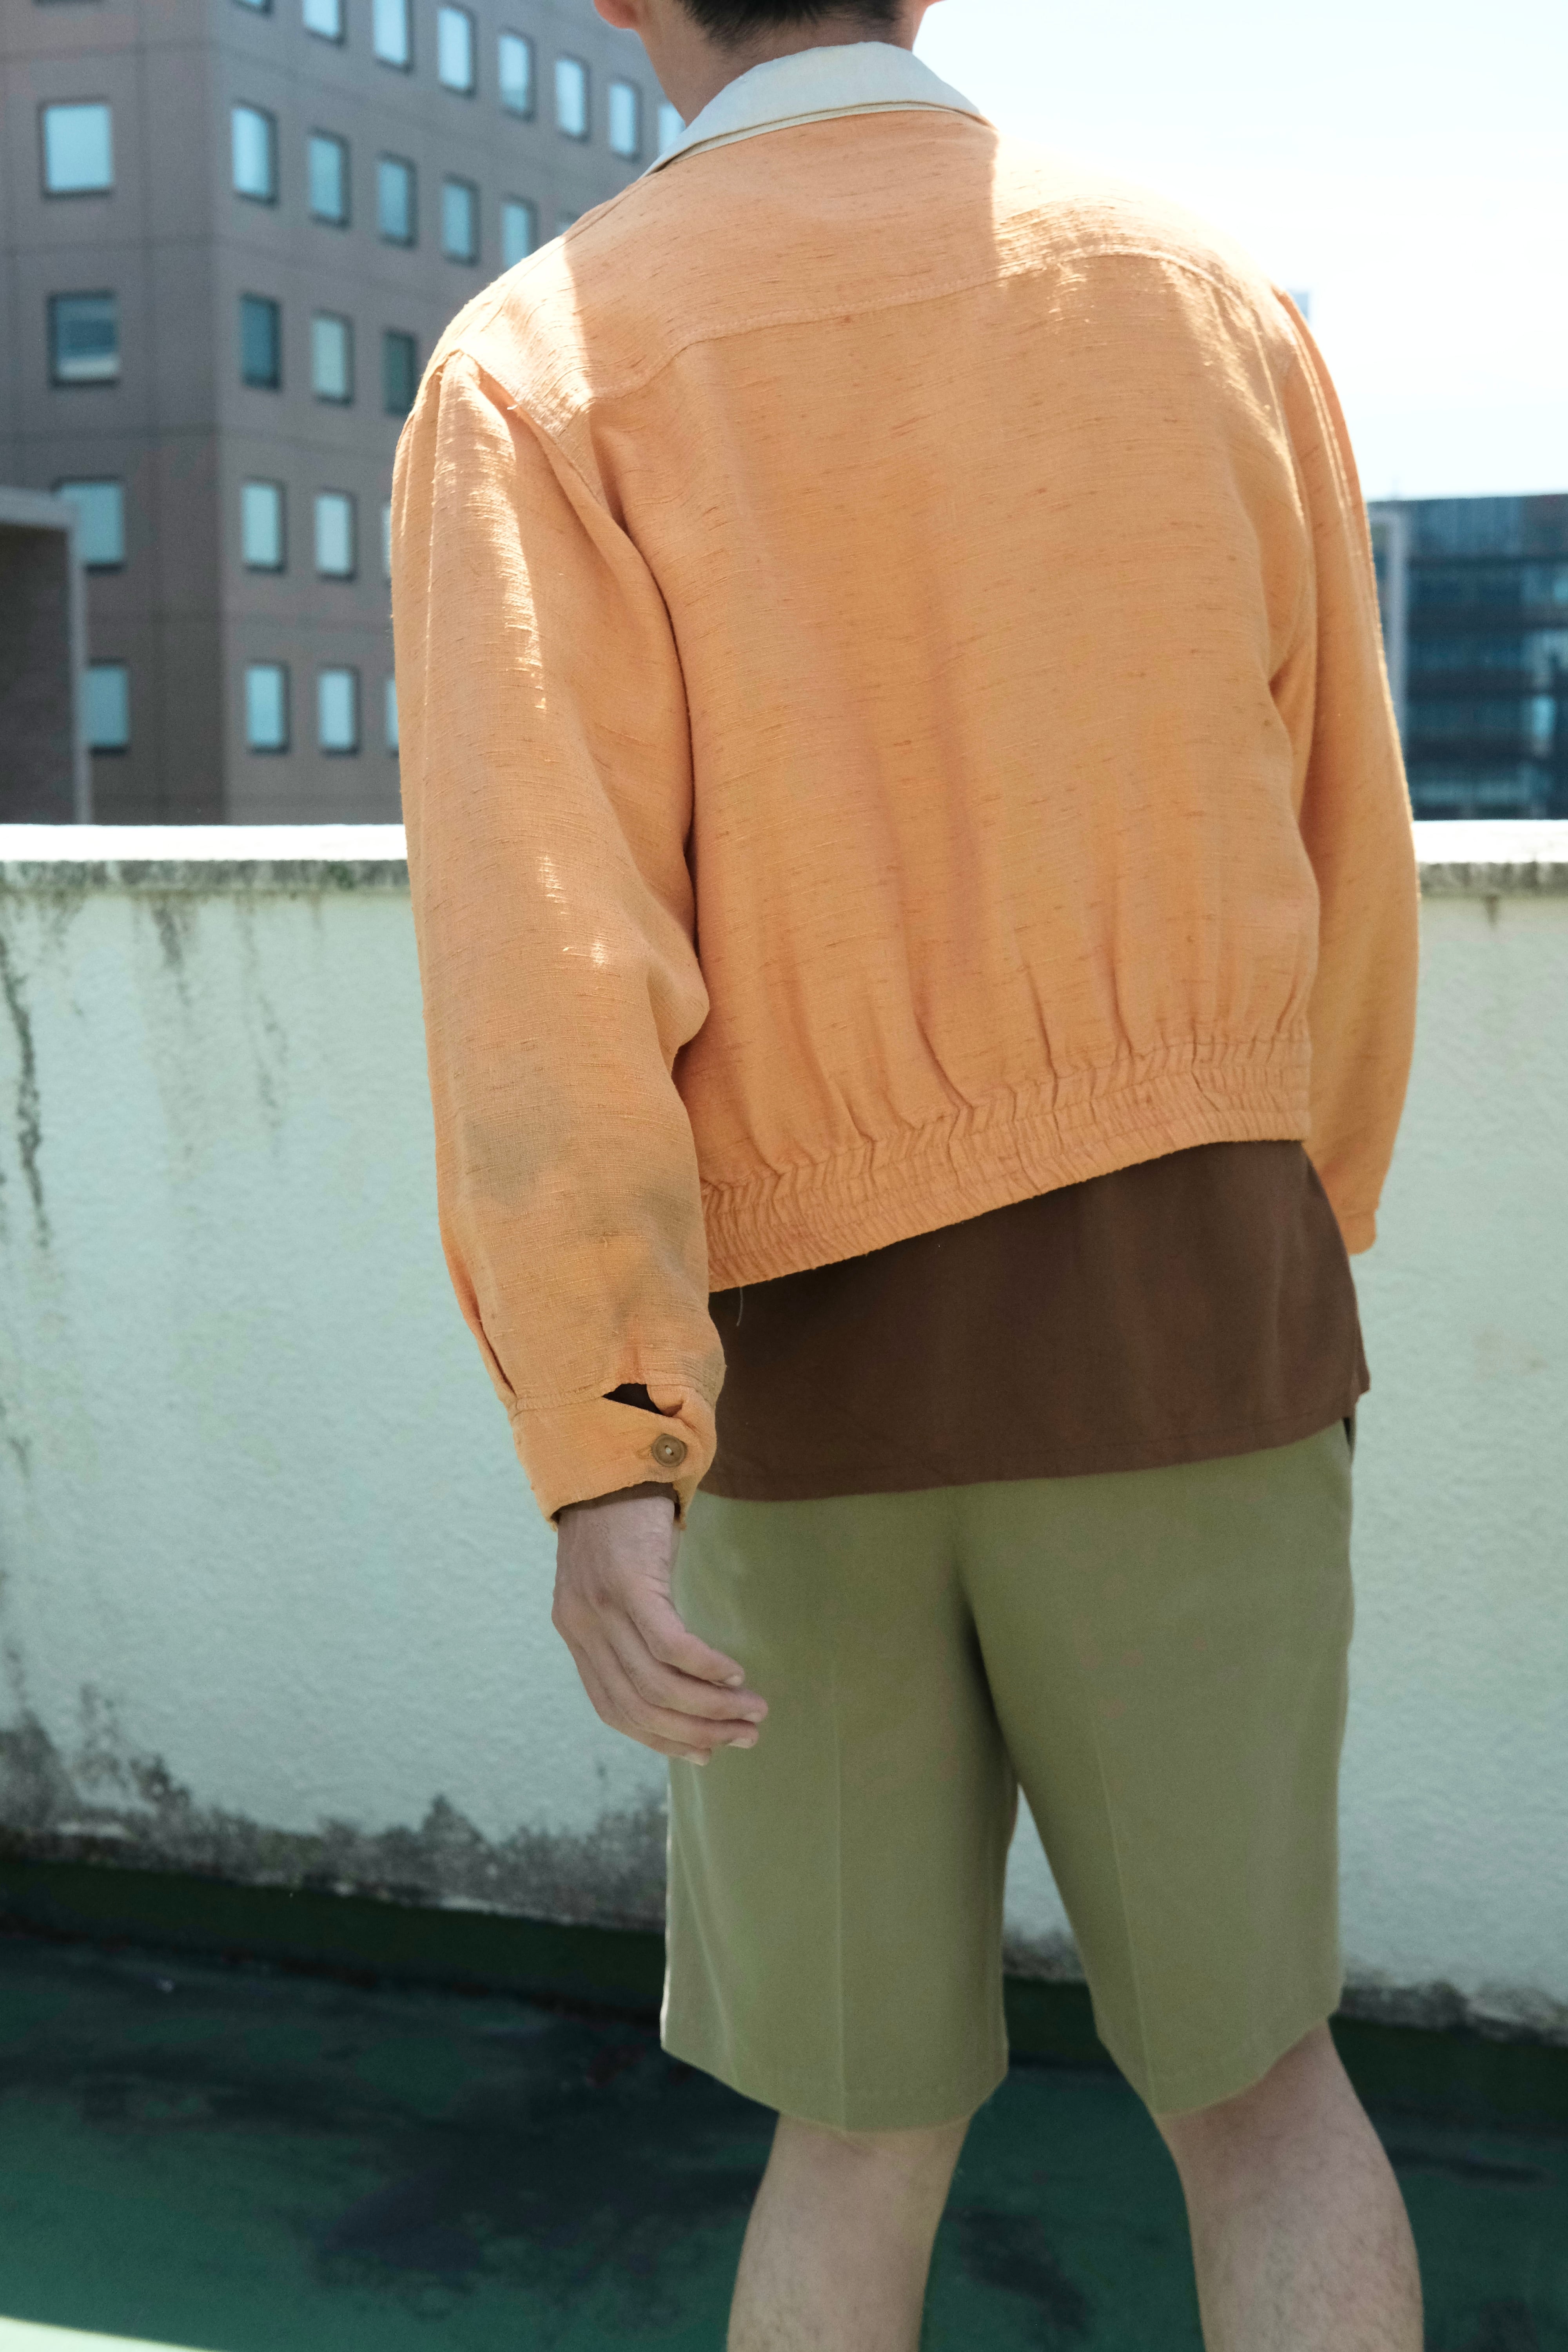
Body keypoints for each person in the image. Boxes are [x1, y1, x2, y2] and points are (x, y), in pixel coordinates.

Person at [390, 0, 1424, 2341]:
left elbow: (545, 965)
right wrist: (1289, 1231)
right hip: (1198, 1315)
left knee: (855, 2128)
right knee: (1263, 2095)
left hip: (793, 1373)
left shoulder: (544, 365)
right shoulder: (1199, 298)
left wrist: (603, 1437)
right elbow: (1348, 837)